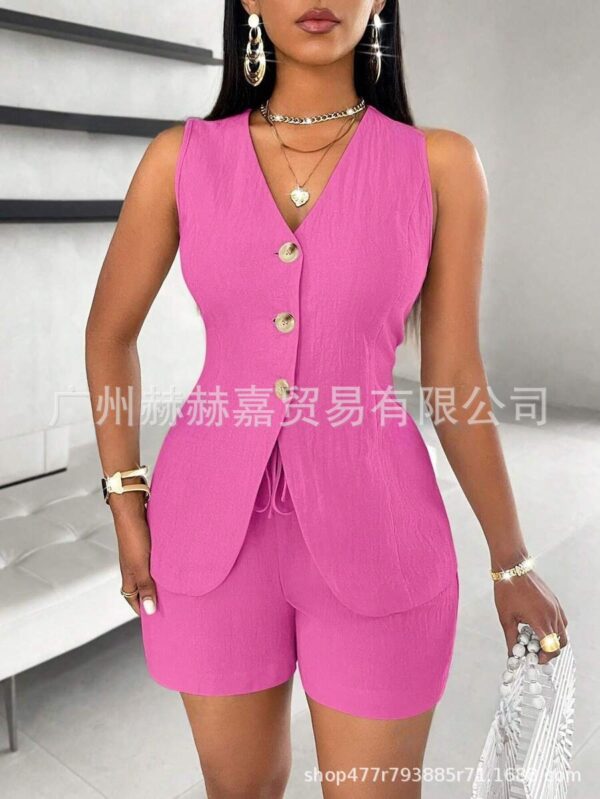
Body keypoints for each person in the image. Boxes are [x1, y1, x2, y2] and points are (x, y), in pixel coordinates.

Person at [85, 2, 569, 797]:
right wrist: (125, 500)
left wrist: (510, 558)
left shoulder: (440, 165)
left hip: (383, 534)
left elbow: (454, 375)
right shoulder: (180, 158)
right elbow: (109, 336)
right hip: (206, 537)